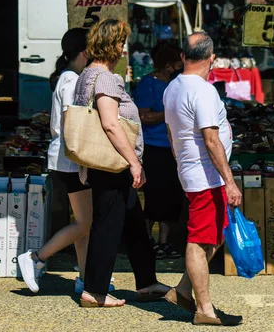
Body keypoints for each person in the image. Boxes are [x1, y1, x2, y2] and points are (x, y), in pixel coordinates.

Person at [73, 19, 170, 307]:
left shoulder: (86, 74)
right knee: (107, 226)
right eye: (121, 42)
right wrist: (134, 162)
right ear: (112, 44)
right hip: (111, 163)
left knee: (135, 224)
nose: (123, 48)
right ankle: (95, 291)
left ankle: (147, 282)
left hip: (107, 163)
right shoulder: (104, 78)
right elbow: (111, 124)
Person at [18, 28, 114, 295]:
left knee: (85, 221)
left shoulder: (68, 77)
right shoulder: (72, 81)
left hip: (67, 158)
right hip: (71, 160)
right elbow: (74, 122)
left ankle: (84, 277)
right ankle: (36, 258)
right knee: (85, 223)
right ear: (85, 53)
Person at [163, 32, 243, 326]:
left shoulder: (172, 88)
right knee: (198, 240)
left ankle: (184, 290)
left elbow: (172, 134)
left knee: (215, 234)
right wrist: (231, 182)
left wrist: (180, 163)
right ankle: (205, 310)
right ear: (211, 59)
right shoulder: (204, 91)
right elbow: (211, 140)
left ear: (183, 57)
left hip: (192, 172)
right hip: (206, 177)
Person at [134, 41, 184, 260]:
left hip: (174, 149)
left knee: (171, 196)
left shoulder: (175, 84)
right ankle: (146, 241)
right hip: (153, 148)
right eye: (176, 64)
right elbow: (143, 115)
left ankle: (164, 242)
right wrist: (170, 114)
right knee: (154, 196)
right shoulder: (148, 84)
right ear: (167, 65)